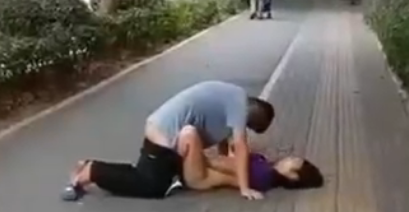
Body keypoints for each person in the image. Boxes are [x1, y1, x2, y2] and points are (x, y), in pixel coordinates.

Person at [66, 81, 275, 201]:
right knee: (151, 186)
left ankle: (91, 166)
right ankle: (92, 172)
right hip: (164, 133)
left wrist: (223, 159)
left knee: (143, 174)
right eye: (249, 127)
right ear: (252, 118)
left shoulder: (234, 97)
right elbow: (240, 146)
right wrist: (244, 188)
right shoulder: (240, 108)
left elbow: (224, 138)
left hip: (166, 128)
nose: (245, 128)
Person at [186, 147, 323, 194]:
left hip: (202, 168)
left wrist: (198, 157)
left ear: (293, 176)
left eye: (292, 161)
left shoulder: (264, 174)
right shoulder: (265, 168)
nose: (288, 158)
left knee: (190, 134)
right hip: (205, 168)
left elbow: (226, 166)